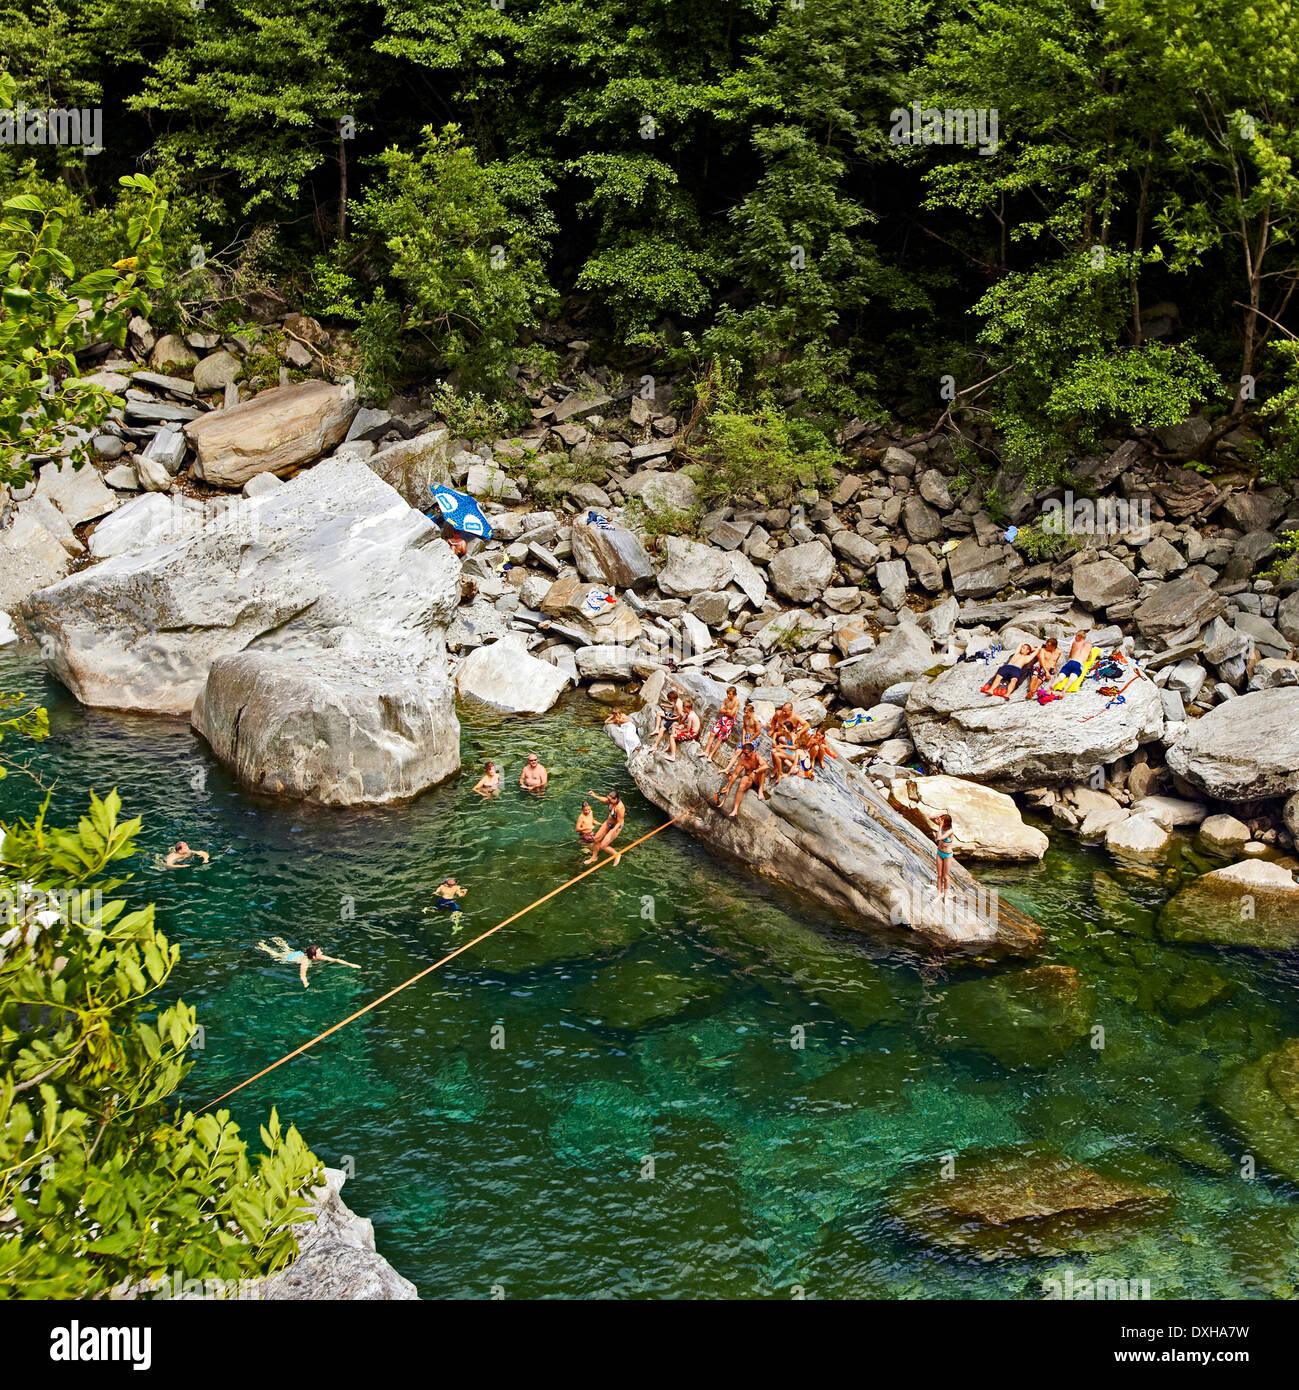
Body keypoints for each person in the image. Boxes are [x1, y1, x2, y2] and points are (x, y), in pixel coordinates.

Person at [257, 936, 360, 989]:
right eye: (319, 952)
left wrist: (350, 964)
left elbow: (336, 960)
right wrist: (305, 982)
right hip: (290, 958)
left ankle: (279, 941)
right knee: (277, 955)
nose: (322, 953)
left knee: (286, 949)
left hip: (297, 954)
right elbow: (302, 973)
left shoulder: (316, 956)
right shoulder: (305, 962)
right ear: (314, 956)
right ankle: (263, 946)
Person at [718, 742, 770, 818]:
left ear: (752, 752)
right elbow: (735, 774)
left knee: (762, 770)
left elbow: (766, 766)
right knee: (741, 785)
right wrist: (728, 787)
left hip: (757, 779)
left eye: (746, 753)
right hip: (749, 779)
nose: (745, 755)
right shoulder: (743, 759)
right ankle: (735, 810)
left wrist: (755, 771)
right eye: (744, 753)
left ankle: (760, 790)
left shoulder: (757, 757)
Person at [584, 791, 626, 865]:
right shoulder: (612, 801)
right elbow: (604, 800)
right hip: (608, 823)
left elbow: (619, 822)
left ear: (616, 799)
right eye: (608, 799)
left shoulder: (620, 808)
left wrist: (611, 832)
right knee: (596, 839)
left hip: (616, 827)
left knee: (603, 846)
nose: (608, 801)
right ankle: (594, 857)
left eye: (610, 800)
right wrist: (594, 795)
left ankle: (617, 855)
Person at [702, 686, 740, 765]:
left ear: (734, 694)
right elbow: (720, 710)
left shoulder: (737, 702)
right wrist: (727, 711)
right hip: (723, 718)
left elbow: (732, 714)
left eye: (730, 694)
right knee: (712, 733)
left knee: (720, 738)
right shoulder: (726, 700)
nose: (728, 696)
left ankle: (711, 755)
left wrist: (725, 711)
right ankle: (706, 751)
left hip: (729, 721)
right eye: (727, 694)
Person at [651, 689, 684, 754]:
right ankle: (656, 729)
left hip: (674, 718)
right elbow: (673, 707)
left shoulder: (678, 704)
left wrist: (671, 719)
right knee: (659, 713)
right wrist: (665, 706)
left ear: (672, 699)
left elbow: (681, 715)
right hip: (672, 715)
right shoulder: (677, 700)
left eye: (669, 699)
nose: (668, 700)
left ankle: (655, 746)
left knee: (662, 729)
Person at [933, 814, 956, 898]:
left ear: (946, 822)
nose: (940, 821)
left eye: (942, 820)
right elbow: (931, 817)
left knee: (946, 877)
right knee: (939, 875)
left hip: (947, 855)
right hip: (939, 853)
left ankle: (946, 895)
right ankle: (939, 893)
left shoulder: (950, 831)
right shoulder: (942, 827)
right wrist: (938, 817)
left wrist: (940, 826)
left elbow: (939, 838)